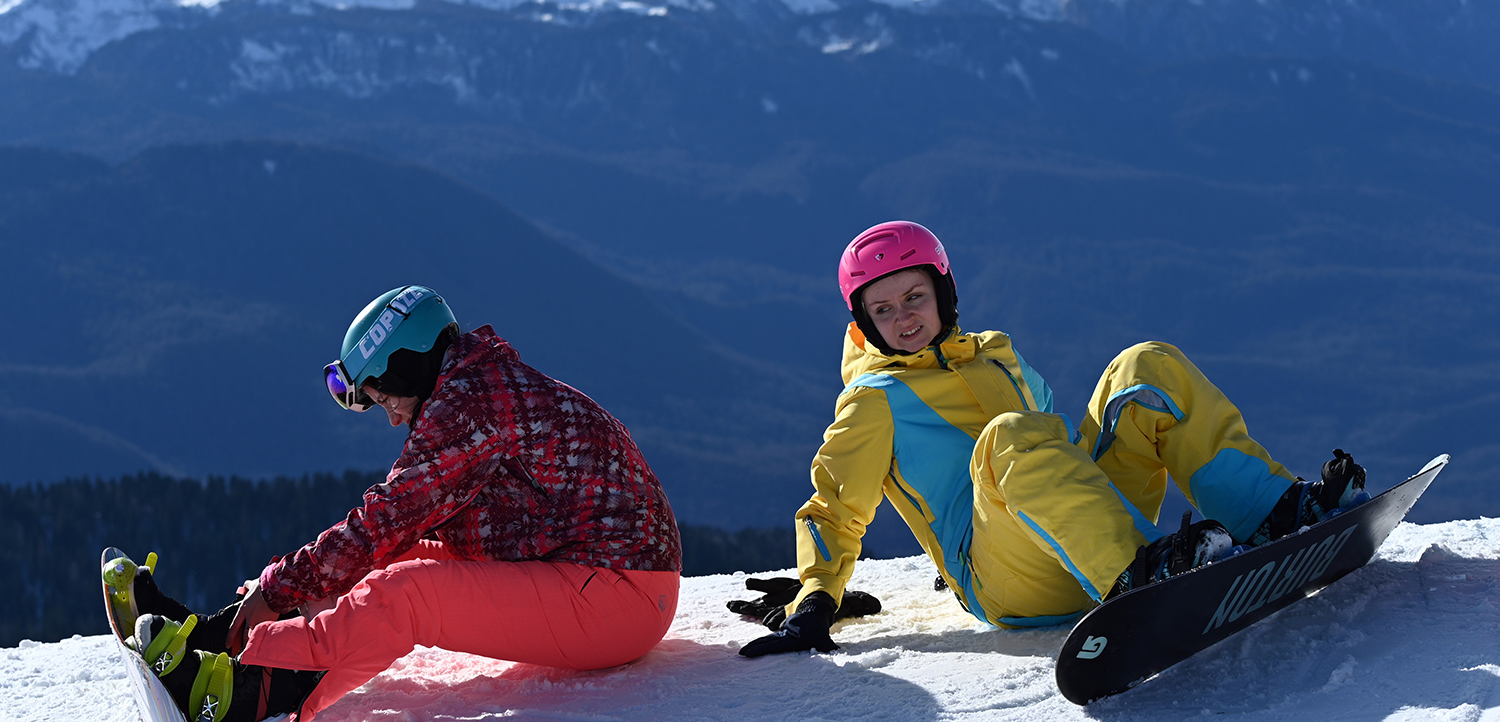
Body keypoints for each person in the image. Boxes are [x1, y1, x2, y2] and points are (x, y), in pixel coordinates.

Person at [735, 221, 1366, 657]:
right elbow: (835, 505)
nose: (903, 317)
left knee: (1144, 367)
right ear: (864, 324)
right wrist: (817, 597)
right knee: (1007, 437)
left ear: (944, 293)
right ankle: (1137, 578)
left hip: (1071, 532)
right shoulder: (872, 402)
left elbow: (1052, 453)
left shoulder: (994, 357)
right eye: (883, 309)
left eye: (914, 296)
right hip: (1007, 582)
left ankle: (1276, 510)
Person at [104, 285, 683, 721]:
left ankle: (245, 695)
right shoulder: (475, 387)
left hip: (619, 595)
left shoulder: (469, 407)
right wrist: (279, 590)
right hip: (593, 576)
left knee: (407, 595)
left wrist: (282, 585)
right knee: (395, 563)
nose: (390, 414)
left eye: (383, 395)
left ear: (407, 363)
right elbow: (391, 536)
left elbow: (380, 520)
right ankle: (213, 636)